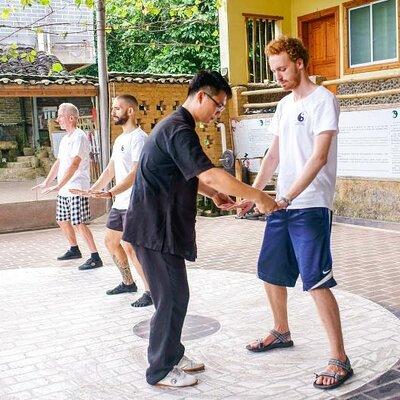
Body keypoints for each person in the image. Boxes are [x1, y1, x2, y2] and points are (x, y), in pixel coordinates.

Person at [122, 70, 277, 388]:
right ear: (202, 96)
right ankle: (160, 369)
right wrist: (258, 195)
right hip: (155, 228)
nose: (218, 114)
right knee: (170, 297)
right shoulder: (179, 130)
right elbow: (211, 173)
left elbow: (193, 175)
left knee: (177, 295)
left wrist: (214, 194)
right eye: (218, 106)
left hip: (158, 226)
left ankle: (173, 353)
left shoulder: (178, 127)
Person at [241, 36, 353, 390]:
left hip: (310, 204)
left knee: (316, 280)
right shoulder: (284, 105)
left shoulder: (324, 100)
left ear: (300, 63)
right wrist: (253, 194)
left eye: (283, 68)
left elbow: (318, 158)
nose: (278, 76)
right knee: (271, 271)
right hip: (281, 205)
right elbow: (272, 156)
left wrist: (286, 196)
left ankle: (340, 358)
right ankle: (281, 331)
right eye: (274, 70)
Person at [74, 94, 152, 307]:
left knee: (130, 247)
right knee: (110, 242)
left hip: (135, 203)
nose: (113, 112)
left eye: (117, 108)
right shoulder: (119, 140)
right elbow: (110, 169)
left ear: (130, 111)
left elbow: (135, 173)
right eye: (113, 108)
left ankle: (150, 291)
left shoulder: (140, 138)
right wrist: (93, 190)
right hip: (120, 203)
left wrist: (110, 192)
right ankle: (128, 282)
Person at [32, 103, 103, 270]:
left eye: (60, 116)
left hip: (76, 186)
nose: (57, 119)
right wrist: (47, 182)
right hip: (64, 188)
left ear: (71, 118)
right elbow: (59, 162)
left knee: (79, 223)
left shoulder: (79, 137)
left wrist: (60, 184)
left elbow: (75, 164)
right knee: (62, 220)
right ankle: (74, 249)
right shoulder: (65, 139)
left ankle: (95, 256)